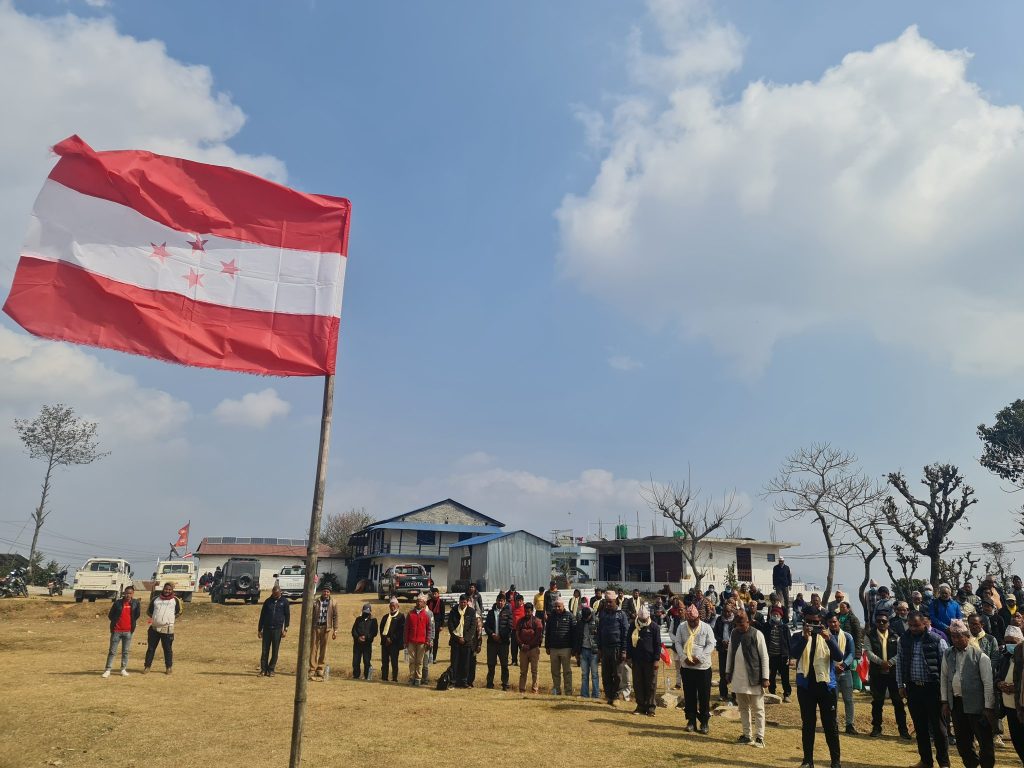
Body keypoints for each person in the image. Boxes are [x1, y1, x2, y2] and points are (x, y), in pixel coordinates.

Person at [791, 606, 843, 768]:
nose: (812, 625)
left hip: (826, 686)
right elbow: (794, 654)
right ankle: (808, 760)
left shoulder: (828, 636)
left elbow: (839, 656)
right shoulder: (798, 636)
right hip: (806, 687)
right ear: (804, 621)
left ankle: (835, 761)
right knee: (808, 724)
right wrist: (804, 638)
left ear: (821, 622)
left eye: (816, 622)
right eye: (809, 622)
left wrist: (828, 639)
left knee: (830, 725)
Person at [897, 610, 949, 768]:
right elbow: (899, 663)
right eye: (911, 625)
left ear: (924, 624)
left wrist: (945, 692)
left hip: (933, 689)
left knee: (939, 729)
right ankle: (926, 761)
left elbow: (946, 668)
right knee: (920, 728)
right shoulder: (903, 640)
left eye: (917, 625)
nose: (913, 628)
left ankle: (944, 763)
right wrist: (900, 685)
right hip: (913, 689)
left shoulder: (937, 640)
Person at [941, 619, 996, 768]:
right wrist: (945, 701)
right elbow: (944, 678)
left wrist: (988, 707)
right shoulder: (948, 654)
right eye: (953, 637)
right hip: (957, 704)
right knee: (963, 742)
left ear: (967, 636)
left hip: (978, 706)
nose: (956, 640)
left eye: (959, 636)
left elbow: (988, 683)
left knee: (985, 742)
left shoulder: (980, 656)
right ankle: (971, 765)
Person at [727, 608, 770, 748]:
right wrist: (728, 672)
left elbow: (764, 656)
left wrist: (765, 677)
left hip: (755, 677)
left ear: (748, 622)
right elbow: (730, 653)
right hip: (738, 678)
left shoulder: (757, 634)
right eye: (737, 625)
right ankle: (747, 735)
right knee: (743, 708)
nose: (740, 627)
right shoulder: (734, 633)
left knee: (758, 708)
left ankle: (760, 737)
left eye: (742, 624)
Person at [866, 612, 910, 739]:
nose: (881, 623)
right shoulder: (869, 635)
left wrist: (890, 663)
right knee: (877, 702)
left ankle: (903, 730)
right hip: (877, 673)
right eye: (878, 621)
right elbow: (868, 652)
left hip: (893, 674)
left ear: (888, 623)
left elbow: (900, 653)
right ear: (875, 622)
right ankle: (876, 728)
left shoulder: (896, 636)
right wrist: (881, 662)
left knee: (898, 702)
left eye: (884, 621)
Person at [675, 603, 715, 734]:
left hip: (703, 668)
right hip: (687, 667)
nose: (692, 623)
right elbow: (677, 643)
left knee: (704, 696)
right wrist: (683, 657)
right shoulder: (682, 627)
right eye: (690, 621)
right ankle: (691, 721)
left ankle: (704, 722)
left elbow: (711, 644)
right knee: (689, 695)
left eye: (694, 621)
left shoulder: (706, 627)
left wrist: (700, 658)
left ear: (699, 618)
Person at [995, 625, 1024, 763]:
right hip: (1009, 708)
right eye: (1007, 642)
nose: (1009, 645)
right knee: (1017, 741)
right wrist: (1000, 684)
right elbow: (997, 676)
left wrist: (1016, 687)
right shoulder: (1005, 658)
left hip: (1021, 707)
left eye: (1013, 642)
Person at [597, 589, 629, 706]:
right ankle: (609, 696)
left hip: (617, 649)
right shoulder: (602, 614)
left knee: (617, 675)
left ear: (615, 601)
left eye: (610, 602)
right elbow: (599, 632)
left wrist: (624, 650)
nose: (608, 604)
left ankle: (615, 696)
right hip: (605, 649)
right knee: (606, 674)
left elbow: (625, 633)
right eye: (606, 602)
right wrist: (599, 648)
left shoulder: (621, 614)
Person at [628, 605, 661, 716]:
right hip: (637, 660)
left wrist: (656, 660)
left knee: (651, 684)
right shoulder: (633, 625)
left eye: (645, 619)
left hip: (650, 660)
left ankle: (651, 708)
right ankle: (640, 707)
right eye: (641, 620)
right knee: (638, 683)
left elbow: (657, 644)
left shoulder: (654, 627)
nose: (643, 621)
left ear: (648, 617)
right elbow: (629, 641)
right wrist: (629, 657)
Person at [828, 613, 858, 735]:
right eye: (830, 622)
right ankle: (833, 723)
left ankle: (849, 725)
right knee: (832, 700)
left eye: (835, 621)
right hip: (831, 672)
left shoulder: (847, 636)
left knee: (848, 699)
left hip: (846, 672)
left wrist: (844, 665)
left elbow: (851, 653)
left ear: (839, 622)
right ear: (827, 623)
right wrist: (833, 666)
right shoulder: (824, 637)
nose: (833, 624)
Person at [144, 582, 182, 675]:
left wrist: (169, 619)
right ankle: (147, 667)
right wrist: (156, 619)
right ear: (163, 589)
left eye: (169, 589)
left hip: (167, 629)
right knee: (151, 649)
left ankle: (168, 667)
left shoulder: (175, 600)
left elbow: (179, 612)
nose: (167, 591)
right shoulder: (155, 599)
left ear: (172, 590)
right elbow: (149, 611)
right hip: (154, 629)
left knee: (167, 649)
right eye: (166, 589)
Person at [102, 585, 140, 677]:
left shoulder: (136, 603)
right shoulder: (118, 603)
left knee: (125, 652)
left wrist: (130, 624)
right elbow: (111, 615)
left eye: (130, 593)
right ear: (124, 593)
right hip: (116, 631)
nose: (128, 595)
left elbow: (137, 615)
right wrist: (116, 623)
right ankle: (108, 670)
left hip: (128, 632)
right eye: (126, 593)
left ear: (133, 594)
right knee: (112, 651)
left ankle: (123, 669)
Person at [545, 597, 578, 695]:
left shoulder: (570, 616)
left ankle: (568, 692)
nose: (557, 608)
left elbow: (574, 633)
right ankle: (556, 691)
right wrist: (547, 646)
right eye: (555, 606)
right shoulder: (551, 617)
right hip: (553, 648)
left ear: (563, 606)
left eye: (559, 606)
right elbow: (547, 632)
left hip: (566, 648)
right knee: (555, 671)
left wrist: (574, 648)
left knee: (567, 671)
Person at [257, 585, 290, 677]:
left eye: (277, 594)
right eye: (274, 594)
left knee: (275, 651)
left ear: (280, 592)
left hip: (277, 629)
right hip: (267, 629)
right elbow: (262, 616)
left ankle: (271, 669)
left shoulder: (284, 602)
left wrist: (285, 629)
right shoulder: (267, 601)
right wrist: (259, 629)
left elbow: (287, 616)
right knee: (264, 651)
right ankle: (263, 669)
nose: (275, 595)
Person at [447, 593, 478, 688]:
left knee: (465, 663)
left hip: (467, 642)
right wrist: (457, 638)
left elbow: (473, 627)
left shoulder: (471, 612)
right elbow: (450, 625)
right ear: (459, 602)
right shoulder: (453, 611)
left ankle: (464, 681)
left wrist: (465, 638)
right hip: (455, 641)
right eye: (461, 602)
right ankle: (453, 681)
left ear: (467, 602)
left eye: (464, 602)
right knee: (454, 662)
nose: (463, 604)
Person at [308, 585, 338, 680]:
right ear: (322, 592)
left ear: (330, 593)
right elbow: (310, 613)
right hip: (316, 627)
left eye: (327, 592)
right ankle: (312, 669)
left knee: (323, 649)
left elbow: (335, 616)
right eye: (324, 591)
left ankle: (320, 669)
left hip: (326, 628)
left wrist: (335, 630)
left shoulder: (333, 602)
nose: (326, 593)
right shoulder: (316, 601)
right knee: (313, 648)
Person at [484, 592, 513, 690]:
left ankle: (505, 684)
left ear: (505, 602)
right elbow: (486, 626)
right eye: (499, 601)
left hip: (503, 643)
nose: (500, 603)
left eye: (502, 601)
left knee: (504, 664)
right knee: (491, 664)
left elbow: (509, 626)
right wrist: (492, 634)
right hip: (492, 642)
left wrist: (500, 636)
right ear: (496, 601)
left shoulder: (508, 613)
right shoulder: (491, 612)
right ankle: (489, 683)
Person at [405, 593, 433, 687]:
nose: (418, 603)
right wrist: (406, 641)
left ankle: (418, 678)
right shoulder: (410, 614)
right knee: (412, 660)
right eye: (417, 601)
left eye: (420, 601)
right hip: (411, 641)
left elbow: (429, 629)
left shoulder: (427, 615)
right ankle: (411, 677)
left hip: (422, 642)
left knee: (419, 661)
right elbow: (406, 628)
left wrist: (428, 641)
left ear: (424, 603)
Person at [765, 605, 792, 702]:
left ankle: (786, 694)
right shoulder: (767, 626)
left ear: (781, 616)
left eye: (777, 614)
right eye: (773, 614)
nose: (775, 616)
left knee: (785, 676)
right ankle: (772, 693)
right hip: (770, 656)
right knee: (771, 676)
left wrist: (790, 657)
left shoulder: (784, 627)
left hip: (782, 656)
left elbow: (789, 642)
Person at [515, 602, 544, 693]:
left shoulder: (537, 621)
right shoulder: (520, 621)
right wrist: (521, 645)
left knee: (534, 671)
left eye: (529, 612)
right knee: (523, 671)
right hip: (523, 649)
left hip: (534, 649)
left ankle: (535, 689)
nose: (527, 613)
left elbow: (538, 636)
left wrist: (530, 645)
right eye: (526, 612)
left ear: (532, 611)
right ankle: (522, 689)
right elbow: (517, 634)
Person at [714, 601, 737, 702]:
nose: (727, 613)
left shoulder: (735, 620)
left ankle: (735, 694)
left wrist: (731, 642)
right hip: (722, 649)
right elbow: (715, 633)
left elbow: (738, 633)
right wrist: (721, 640)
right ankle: (723, 694)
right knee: (723, 672)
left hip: (733, 649)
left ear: (731, 611)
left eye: (728, 611)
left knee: (734, 672)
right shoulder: (719, 620)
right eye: (725, 611)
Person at [379, 597, 405, 682]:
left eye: (394, 605)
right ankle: (384, 677)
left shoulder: (401, 617)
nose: (392, 607)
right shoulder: (385, 617)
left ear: (398, 606)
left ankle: (394, 678)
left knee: (394, 662)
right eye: (391, 606)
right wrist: (385, 639)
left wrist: (392, 639)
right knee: (384, 662)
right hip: (385, 643)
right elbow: (381, 629)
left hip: (394, 644)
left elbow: (401, 631)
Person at [578, 604, 601, 700]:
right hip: (583, 650)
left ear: (591, 615)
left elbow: (600, 636)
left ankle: (596, 694)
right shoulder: (580, 622)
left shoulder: (597, 621)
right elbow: (578, 637)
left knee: (594, 674)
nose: (586, 619)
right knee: (584, 674)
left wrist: (599, 651)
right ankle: (584, 694)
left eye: (587, 617)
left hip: (594, 651)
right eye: (584, 617)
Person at [351, 603, 378, 680]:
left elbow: (374, 632)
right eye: (365, 611)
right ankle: (356, 676)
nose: (366, 613)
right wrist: (358, 637)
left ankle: (367, 676)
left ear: (370, 612)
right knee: (356, 661)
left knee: (366, 661)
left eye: (367, 612)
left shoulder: (373, 621)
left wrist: (366, 637)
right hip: (357, 644)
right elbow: (353, 631)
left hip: (367, 644)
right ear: (362, 611)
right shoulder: (358, 619)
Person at [427, 587, 445, 661]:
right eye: (433, 594)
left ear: (438, 594)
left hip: (437, 624)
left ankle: (434, 657)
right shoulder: (428, 602)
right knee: (428, 640)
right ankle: (428, 656)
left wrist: (441, 625)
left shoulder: (441, 602)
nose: (434, 595)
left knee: (435, 641)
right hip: (428, 623)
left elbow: (443, 614)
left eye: (435, 594)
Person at [773, 556, 793, 622]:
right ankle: (780, 612)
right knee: (779, 599)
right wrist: (774, 584)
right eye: (780, 561)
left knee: (786, 599)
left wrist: (790, 585)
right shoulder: (775, 568)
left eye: (781, 561)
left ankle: (787, 612)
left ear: (783, 561)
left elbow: (789, 576)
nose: (780, 562)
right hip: (778, 585)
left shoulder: (787, 568)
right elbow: (774, 576)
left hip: (785, 585)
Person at [509, 593, 526, 666]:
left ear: (522, 601)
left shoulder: (525, 608)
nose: (518, 602)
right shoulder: (512, 607)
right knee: (513, 646)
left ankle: (523, 661)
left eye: (520, 601)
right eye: (517, 601)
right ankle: (514, 661)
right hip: (514, 630)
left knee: (522, 646)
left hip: (522, 631)